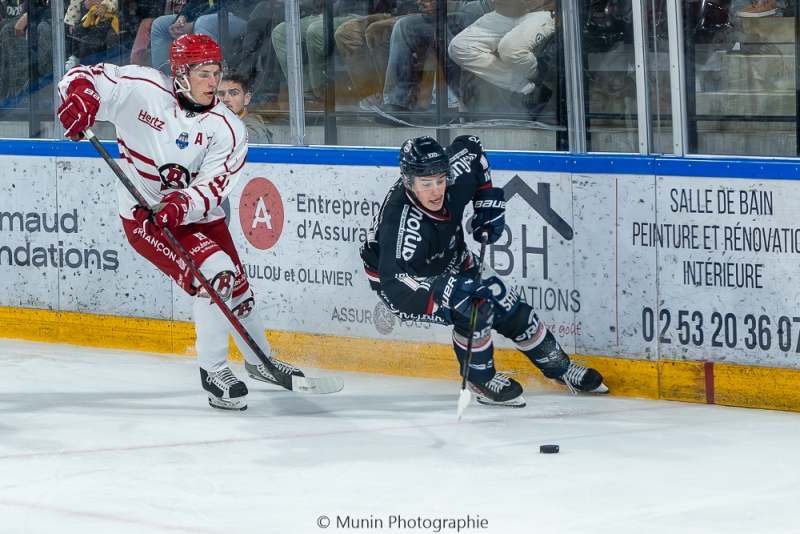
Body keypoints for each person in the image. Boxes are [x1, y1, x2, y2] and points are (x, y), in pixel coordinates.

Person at [57, 34, 304, 411]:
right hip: (145, 217)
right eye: (204, 73)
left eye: (217, 72)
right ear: (180, 74)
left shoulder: (228, 128)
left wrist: (179, 205)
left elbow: (214, 186)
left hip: (196, 215)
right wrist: (81, 99)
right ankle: (214, 372)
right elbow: (80, 76)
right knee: (217, 276)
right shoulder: (141, 89)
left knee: (238, 290)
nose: (214, 82)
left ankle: (260, 362)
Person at [359, 135, 608, 407]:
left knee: (511, 309)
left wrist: (485, 197)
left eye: (440, 180)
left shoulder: (456, 172)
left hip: (452, 255)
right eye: (426, 184)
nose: (436, 191)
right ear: (409, 182)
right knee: (471, 307)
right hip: (407, 280)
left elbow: (472, 146)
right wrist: (442, 290)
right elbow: (396, 285)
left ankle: (560, 367)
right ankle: (480, 379)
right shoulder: (401, 224)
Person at [216, 69, 274, 144]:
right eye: (221, 94)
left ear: (247, 99)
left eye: (234, 94)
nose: (225, 99)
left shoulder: (254, 130)